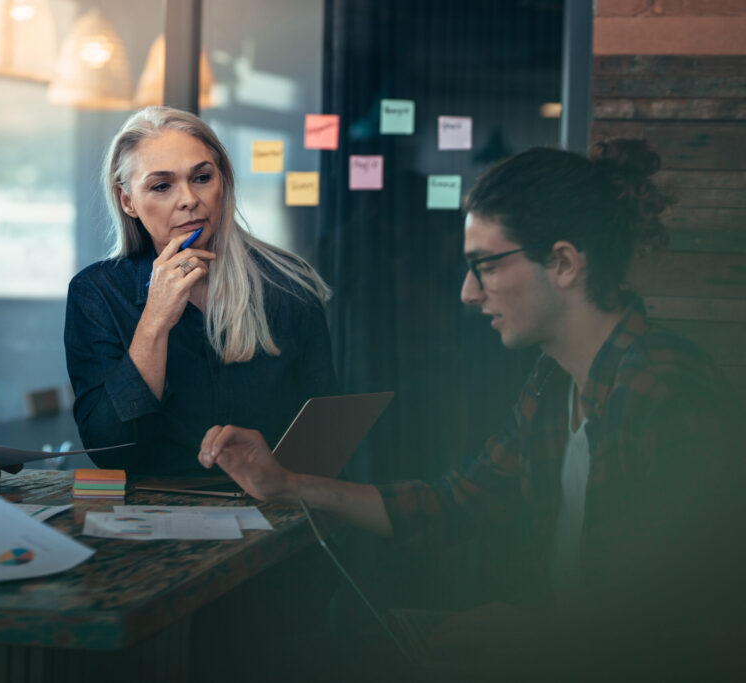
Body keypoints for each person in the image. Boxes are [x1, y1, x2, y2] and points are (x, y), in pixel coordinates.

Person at [199, 140, 742, 677]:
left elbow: (694, 621)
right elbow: (458, 504)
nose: (467, 292)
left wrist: (541, 638)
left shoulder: (665, 389)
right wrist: (289, 483)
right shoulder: (552, 381)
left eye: (484, 265)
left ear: (563, 263)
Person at [65, 107, 337, 473]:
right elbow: (109, 450)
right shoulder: (96, 292)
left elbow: (326, 440)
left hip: (273, 509)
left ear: (222, 181)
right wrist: (155, 321)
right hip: (152, 517)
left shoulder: (287, 283)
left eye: (202, 178)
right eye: (162, 186)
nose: (189, 199)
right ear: (128, 201)